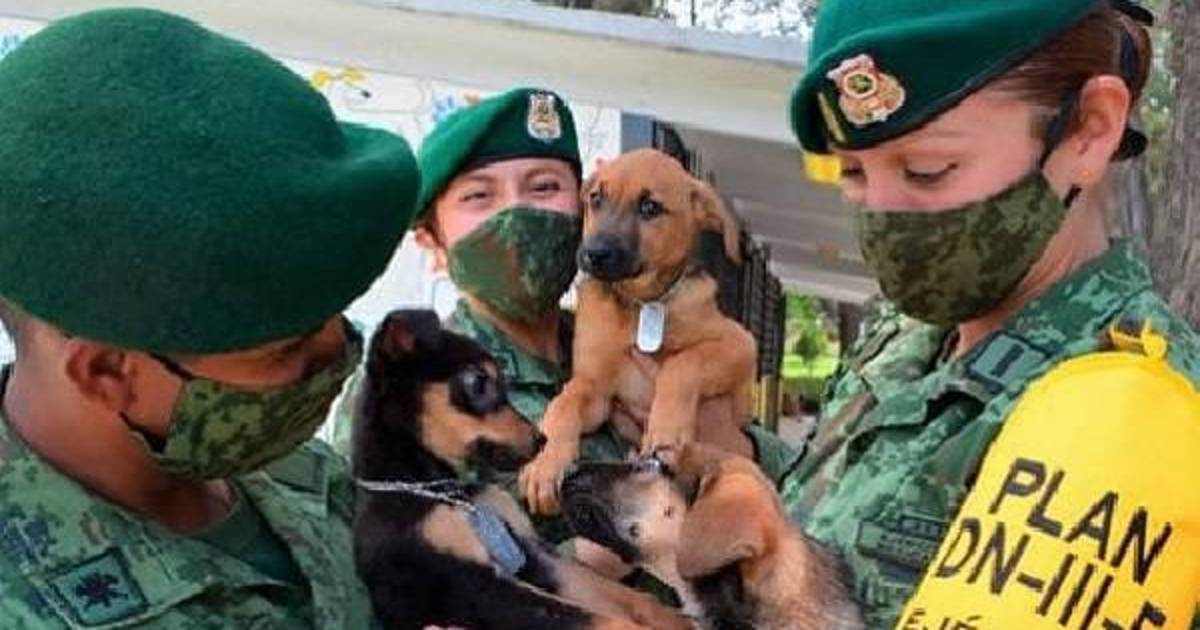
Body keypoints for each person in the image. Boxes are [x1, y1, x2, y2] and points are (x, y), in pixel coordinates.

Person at [780, 0, 1200, 627]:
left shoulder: (1136, 414)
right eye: (853, 173)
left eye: (928, 170)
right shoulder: (910, 337)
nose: (882, 211)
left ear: (1088, 130)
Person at [0, 8, 419, 627]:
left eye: (336, 314)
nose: (336, 353)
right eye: (285, 350)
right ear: (107, 371)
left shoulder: (291, 474)